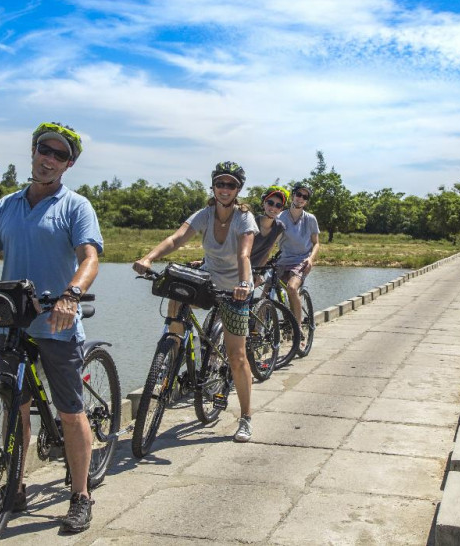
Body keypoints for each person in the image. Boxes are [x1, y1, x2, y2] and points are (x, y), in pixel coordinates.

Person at [0, 121, 103, 533]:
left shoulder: (75, 206)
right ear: (33, 151)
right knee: (15, 408)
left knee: (69, 412)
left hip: (57, 323)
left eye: (59, 155)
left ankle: (80, 495)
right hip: (12, 323)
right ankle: (16, 486)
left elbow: (89, 258)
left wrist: (71, 296)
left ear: (69, 164)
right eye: (44, 149)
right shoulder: (5, 206)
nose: (49, 159)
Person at [132, 161, 259, 443]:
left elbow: (244, 255)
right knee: (176, 292)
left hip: (235, 289)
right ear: (213, 186)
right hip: (208, 282)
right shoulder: (205, 214)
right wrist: (148, 258)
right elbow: (177, 238)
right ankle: (172, 349)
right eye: (220, 184)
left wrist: (244, 284)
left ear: (238, 189)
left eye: (231, 185)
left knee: (237, 357)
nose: (224, 189)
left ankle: (246, 418)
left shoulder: (244, 218)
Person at [277, 183, 320, 330]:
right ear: (293, 195)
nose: (301, 198)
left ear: (307, 201)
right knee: (266, 290)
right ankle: (258, 331)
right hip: (282, 260)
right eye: (298, 194)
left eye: (305, 197)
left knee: (292, 288)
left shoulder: (310, 219)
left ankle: (298, 328)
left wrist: (311, 259)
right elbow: (271, 242)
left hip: (301, 261)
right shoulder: (280, 216)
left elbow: (316, 243)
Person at [250, 185, 289, 270]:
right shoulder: (251, 222)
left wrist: (259, 272)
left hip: (256, 269)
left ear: (281, 209)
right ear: (264, 203)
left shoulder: (279, 228)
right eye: (270, 203)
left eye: (278, 205)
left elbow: (267, 253)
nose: (273, 208)